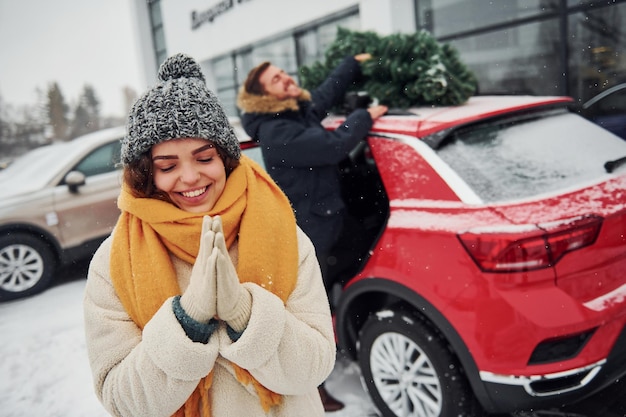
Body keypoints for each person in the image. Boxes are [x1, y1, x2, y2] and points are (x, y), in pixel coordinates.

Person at [83, 53, 336, 417]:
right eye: (167, 166)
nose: (190, 177)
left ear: (227, 159)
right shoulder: (113, 263)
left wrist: (245, 315)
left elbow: (315, 366)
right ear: (145, 174)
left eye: (205, 158)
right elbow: (123, 401)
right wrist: (188, 321)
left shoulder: (284, 234)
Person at [237, 53, 387, 412]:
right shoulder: (276, 131)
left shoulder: (293, 111)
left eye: (284, 73)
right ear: (264, 95)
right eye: (276, 79)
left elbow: (324, 94)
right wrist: (366, 116)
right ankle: (312, 386)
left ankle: (342, 336)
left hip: (333, 223)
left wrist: (352, 63)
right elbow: (334, 147)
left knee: (334, 293)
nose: (286, 79)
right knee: (308, 311)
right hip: (313, 234)